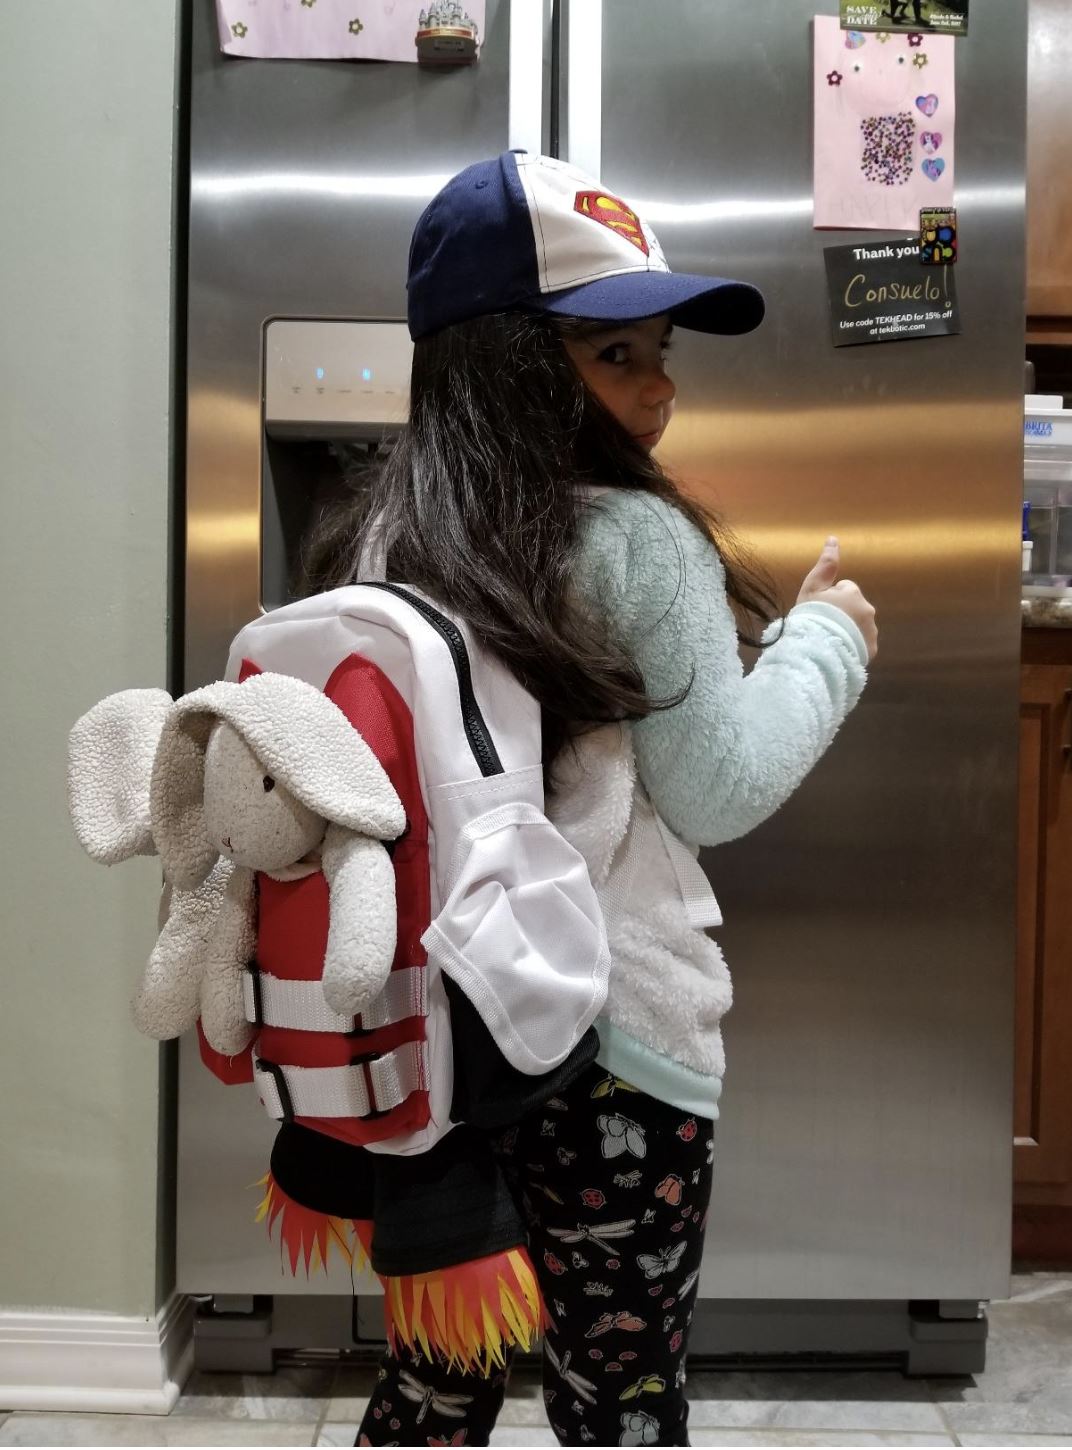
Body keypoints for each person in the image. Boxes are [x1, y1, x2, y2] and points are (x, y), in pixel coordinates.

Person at [303, 151, 877, 1449]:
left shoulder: (380, 534)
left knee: (436, 1386)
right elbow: (717, 789)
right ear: (505, 361)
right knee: (615, 1396)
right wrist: (825, 640)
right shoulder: (632, 537)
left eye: (661, 351)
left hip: (439, 1038)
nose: (661, 389)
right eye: (617, 355)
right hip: (613, 1048)